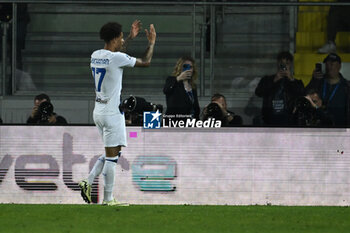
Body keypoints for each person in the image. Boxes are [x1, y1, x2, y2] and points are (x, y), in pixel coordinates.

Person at [78, 20, 156, 206]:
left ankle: (88, 182)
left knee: (111, 152)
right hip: (112, 113)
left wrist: (129, 38)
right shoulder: (116, 58)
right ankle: (108, 198)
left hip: (98, 111)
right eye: (121, 37)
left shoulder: (96, 55)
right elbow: (145, 62)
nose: (123, 40)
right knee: (112, 158)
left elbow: (115, 54)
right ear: (115, 38)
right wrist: (151, 42)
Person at [255, 51, 305, 126]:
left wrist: (291, 79)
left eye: (287, 64)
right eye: (282, 63)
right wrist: (274, 80)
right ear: (278, 63)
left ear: (290, 65)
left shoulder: (296, 82)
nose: (284, 66)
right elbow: (258, 92)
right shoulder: (267, 79)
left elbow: (302, 95)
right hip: (270, 118)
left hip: (289, 119)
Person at [306, 53, 350, 126]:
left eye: (333, 63)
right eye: (328, 63)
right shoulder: (318, 83)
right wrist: (313, 80)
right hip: (320, 126)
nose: (330, 66)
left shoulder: (347, 86)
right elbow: (305, 97)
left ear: (339, 66)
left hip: (341, 128)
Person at [163, 55, 200, 121]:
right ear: (180, 68)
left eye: (191, 67)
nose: (188, 69)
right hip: (174, 121)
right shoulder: (171, 80)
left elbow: (195, 107)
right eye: (185, 66)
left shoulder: (193, 86)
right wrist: (179, 78)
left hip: (189, 122)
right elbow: (166, 90)